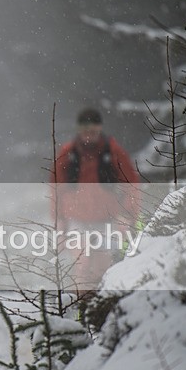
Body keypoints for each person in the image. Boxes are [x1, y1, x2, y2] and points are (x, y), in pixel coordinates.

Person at [52, 107, 139, 290]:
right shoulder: (67, 154)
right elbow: (55, 190)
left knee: (103, 268)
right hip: (75, 220)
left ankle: (100, 310)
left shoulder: (114, 153)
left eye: (92, 131)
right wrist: (58, 222)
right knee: (82, 265)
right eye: (85, 131)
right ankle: (81, 309)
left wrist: (129, 217)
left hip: (106, 220)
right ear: (78, 130)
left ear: (99, 129)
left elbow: (131, 186)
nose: (88, 136)